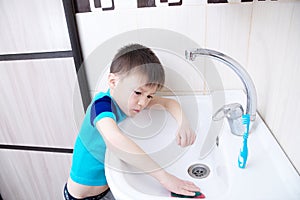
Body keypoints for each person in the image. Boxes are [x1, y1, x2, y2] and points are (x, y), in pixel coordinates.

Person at [64, 44, 201, 200]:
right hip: (81, 197)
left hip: (108, 189)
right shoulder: (101, 105)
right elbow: (114, 140)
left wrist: (184, 123)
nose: (143, 103)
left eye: (149, 96)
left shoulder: (130, 101)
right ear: (113, 82)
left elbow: (169, 103)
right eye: (138, 93)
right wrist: (164, 177)